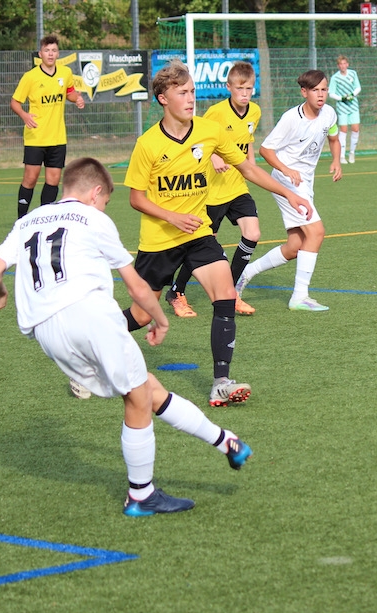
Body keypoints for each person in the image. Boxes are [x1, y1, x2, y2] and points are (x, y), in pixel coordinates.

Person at [0, 157, 253, 517]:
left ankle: (226, 442)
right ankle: (141, 494)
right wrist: (160, 320)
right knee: (138, 398)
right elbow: (137, 287)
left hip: (45, 330)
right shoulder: (93, 219)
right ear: (95, 193)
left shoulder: (29, 220)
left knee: (146, 387)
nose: (104, 207)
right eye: (106, 201)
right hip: (89, 316)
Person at [124, 61, 312, 406]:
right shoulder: (148, 143)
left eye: (192, 91)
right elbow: (136, 198)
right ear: (163, 98)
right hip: (159, 241)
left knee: (225, 296)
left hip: (199, 234)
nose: (190, 98)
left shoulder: (209, 131)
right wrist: (172, 216)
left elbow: (248, 168)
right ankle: (87, 353)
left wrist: (288, 193)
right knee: (140, 316)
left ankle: (221, 382)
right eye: (182, 93)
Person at [235, 70, 342, 312]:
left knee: (295, 246)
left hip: (305, 182)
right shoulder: (291, 119)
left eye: (324, 89)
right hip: (287, 181)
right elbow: (265, 150)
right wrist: (286, 169)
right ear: (304, 92)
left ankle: (245, 273)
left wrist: (336, 161)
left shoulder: (329, 113)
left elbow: (334, 138)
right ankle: (299, 297)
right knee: (316, 232)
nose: (320, 95)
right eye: (315, 90)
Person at [165, 61, 262, 319]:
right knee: (202, 246)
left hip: (237, 187)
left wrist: (251, 167)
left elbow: (248, 143)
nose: (244, 93)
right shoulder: (216, 113)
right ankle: (176, 291)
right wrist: (215, 157)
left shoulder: (255, 112)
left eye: (249, 89)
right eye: (240, 88)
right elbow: (197, 139)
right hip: (212, 191)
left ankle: (230, 292)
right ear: (229, 87)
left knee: (252, 233)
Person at [10, 34, 85, 220]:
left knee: (53, 181)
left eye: (54, 50)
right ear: (40, 54)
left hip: (58, 137)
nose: (50, 54)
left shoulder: (65, 73)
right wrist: (25, 115)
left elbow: (69, 92)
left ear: (58, 53)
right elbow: (15, 102)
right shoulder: (30, 77)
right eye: (47, 50)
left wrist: (77, 98)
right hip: (36, 137)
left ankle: (43, 219)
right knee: (30, 179)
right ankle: (21, 219)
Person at [329, 56, 361, 164]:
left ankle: (352, 152)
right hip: (342, 107)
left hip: (353, 106)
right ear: (338, 66)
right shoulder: (335, 78)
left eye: (344, 63)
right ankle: (341, 155)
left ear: (347, 64)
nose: (343, 66)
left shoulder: (353, 73)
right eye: (340, 64)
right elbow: (331, 93)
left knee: (355, 129)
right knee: (343, 130)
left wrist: (352, 95)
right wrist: (342, 98)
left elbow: (358, 87)